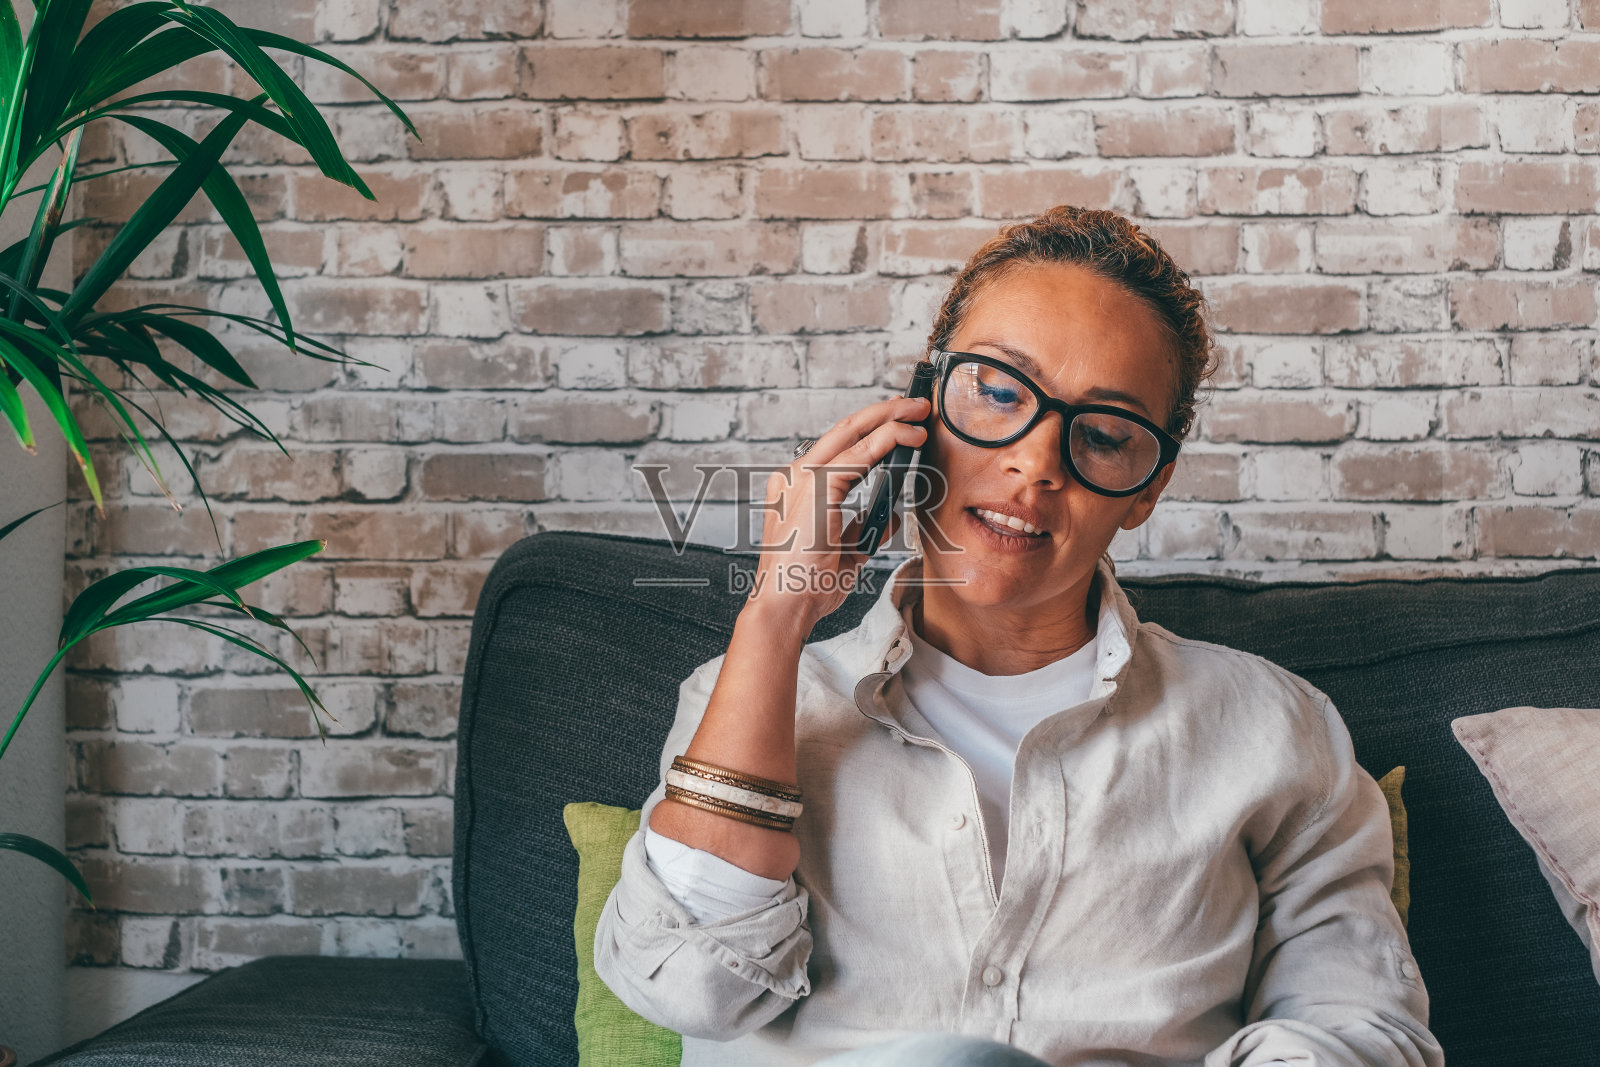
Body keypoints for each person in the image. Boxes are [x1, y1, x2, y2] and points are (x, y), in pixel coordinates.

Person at [595, 205, 1443, 1067]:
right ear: (922, 402)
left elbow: (1361, 1032)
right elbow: (692, 988)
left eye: (1106, 435)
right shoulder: (749, 697)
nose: (1037, 461)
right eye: (998, 391)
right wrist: (778, 608)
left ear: (1147, 487)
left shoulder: (1272, 728)